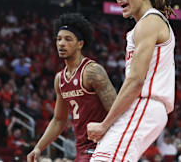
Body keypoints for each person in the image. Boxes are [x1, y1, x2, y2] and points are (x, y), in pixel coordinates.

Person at [87, 0, 176, 162]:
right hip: (143, 107)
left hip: (145, 104)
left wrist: (104, 124)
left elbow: (136, 81)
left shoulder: (149, 22)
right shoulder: (144, 25)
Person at [27, 13, 117, 162]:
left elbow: (117, 111)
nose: (61, 43)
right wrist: (38, 147)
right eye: (59, 39)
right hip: (81, 148)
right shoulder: (60, 79)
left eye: (68, 39)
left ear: (80, 44)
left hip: (102, 146)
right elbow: (59, 120)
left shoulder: (92, 72)